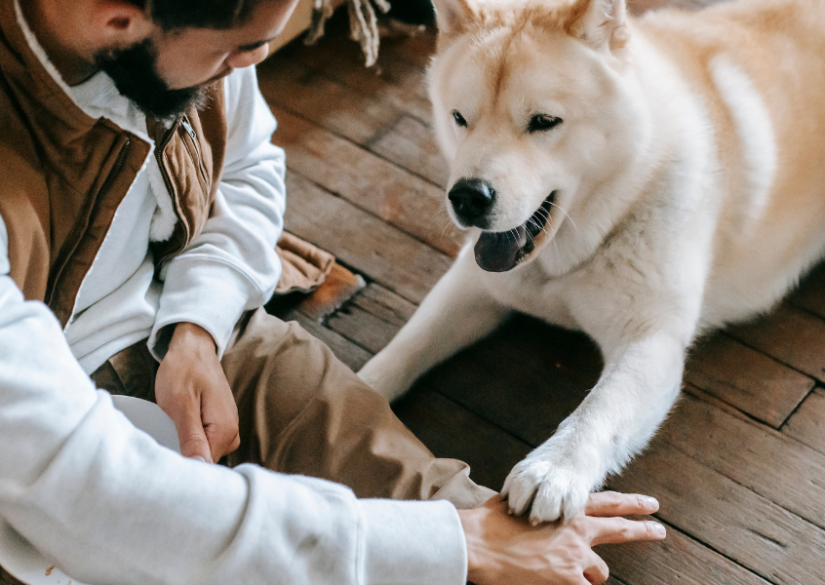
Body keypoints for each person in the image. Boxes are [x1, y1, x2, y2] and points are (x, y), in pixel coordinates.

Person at [0, 0, 666, 584]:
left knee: (454, 505)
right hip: (37, 442)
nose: (251, 64)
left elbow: (249, 168)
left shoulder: (198, 24)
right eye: (240, 49)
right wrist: (451, 547)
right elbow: (86, 489)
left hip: (193, 328)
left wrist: (196, 327)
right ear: (116, 21)